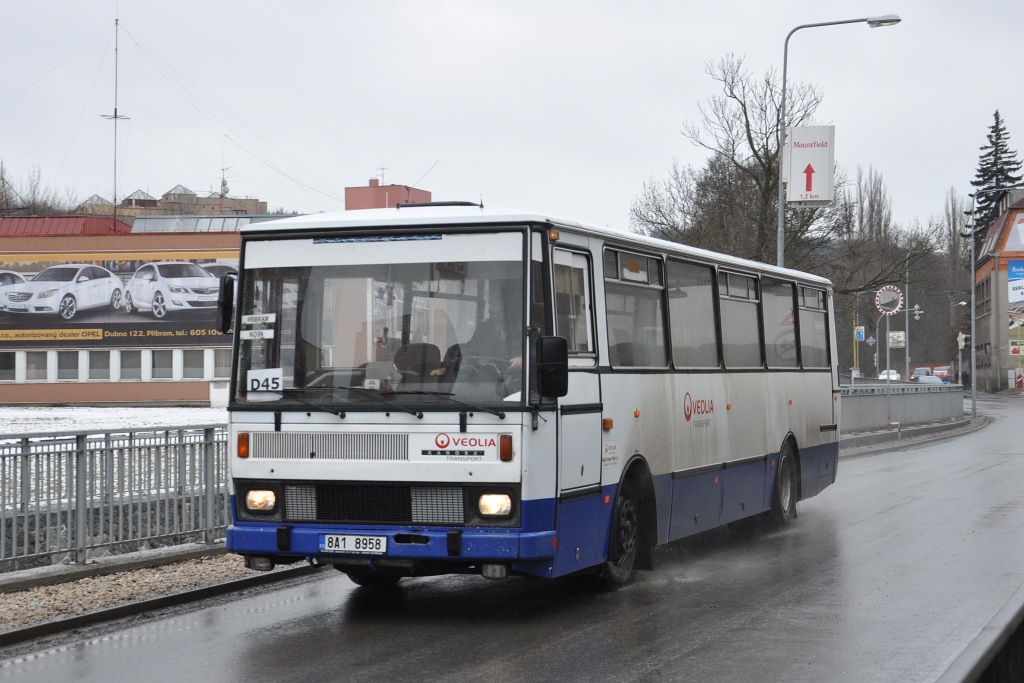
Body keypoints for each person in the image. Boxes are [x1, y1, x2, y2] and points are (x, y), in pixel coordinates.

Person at [431, 284, 521, 376]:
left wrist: (524, 361)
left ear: (505, 306)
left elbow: (534, 356)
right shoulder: (484, 329)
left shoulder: (523, 329)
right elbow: (469, 351)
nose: (489, 310)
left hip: (512, 384)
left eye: (493, 304)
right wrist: (446, 368)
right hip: (484, 381)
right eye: (489, 304)